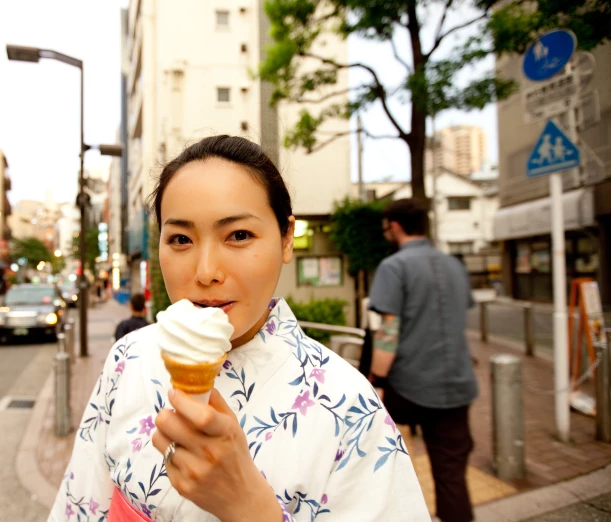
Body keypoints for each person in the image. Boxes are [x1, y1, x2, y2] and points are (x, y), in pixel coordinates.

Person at [49, 136, 429, 521]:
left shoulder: (350, 408)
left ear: (286, 238)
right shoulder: (127, 358)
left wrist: (251, 508)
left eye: (239, 235)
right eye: (180, 239)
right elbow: (79, 505)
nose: (206, 272)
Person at [368, 198, 478, 522]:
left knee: (396, 465)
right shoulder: (454, 265)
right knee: (451, 474)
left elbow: (388, 331)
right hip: (458, 386)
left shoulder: (394, 267)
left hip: (408, 387)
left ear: (396, 227)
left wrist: (378, 382)